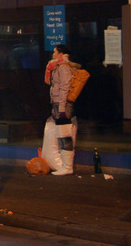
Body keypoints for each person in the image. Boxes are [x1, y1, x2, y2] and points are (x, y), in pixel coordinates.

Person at [48, 44, 79, 175]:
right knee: (62, 134)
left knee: (65, 134)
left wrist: (61, 108)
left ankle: (67, 167)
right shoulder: (59, 67)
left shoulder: (63, 67)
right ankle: (65, 166)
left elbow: (64, 88)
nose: (53, 55)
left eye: (55, 52)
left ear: (60, 53)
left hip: (62, 105)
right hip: (59, 104)